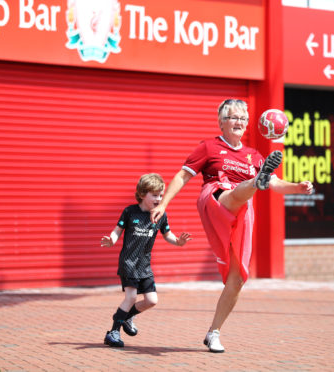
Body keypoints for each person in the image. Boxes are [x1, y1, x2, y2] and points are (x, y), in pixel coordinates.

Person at [150, 99, 313, 353]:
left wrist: (298, 189)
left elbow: (276, 183)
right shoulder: (209, 147)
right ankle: (254, 183)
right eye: (233, 117)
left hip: (242, 211)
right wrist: (164, 205)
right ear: (221, 122)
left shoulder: (254, 156)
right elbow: (183, 175)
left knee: (237, 279)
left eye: (242, 119)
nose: (239, 122)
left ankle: (213, 332)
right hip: (214, 198)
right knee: (235, 193)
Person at [101, 173, 192, 348]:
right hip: (128, 263)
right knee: (131, 297)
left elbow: (168, 235)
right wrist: (112, 240)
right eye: (154, 195)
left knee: (151, 300)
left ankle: (126, 317)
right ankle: (113, 332)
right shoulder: (129, 212)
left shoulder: (160, 215)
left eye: (160, 195)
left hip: (144, 265)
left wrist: (178, 242)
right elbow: (117, 231)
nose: (158, 199)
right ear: (143, 194)